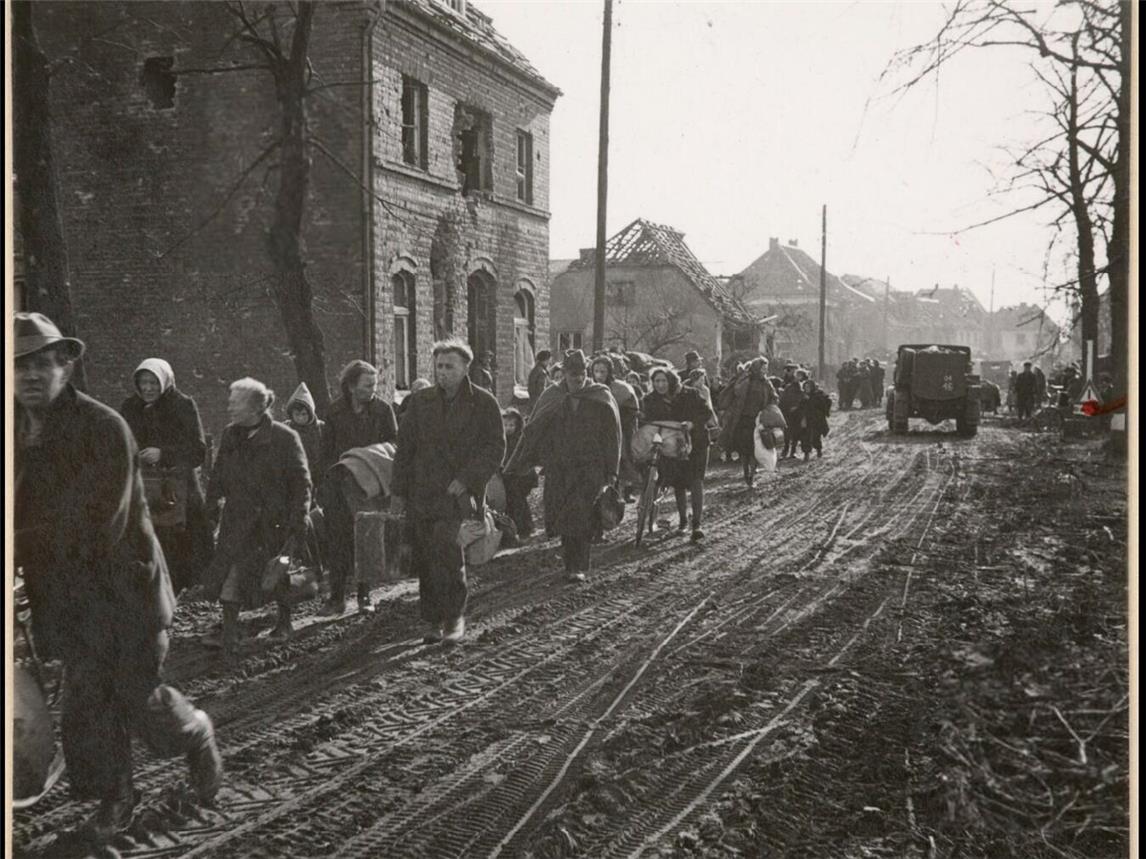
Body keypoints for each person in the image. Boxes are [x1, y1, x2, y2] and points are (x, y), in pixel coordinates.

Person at [14, 313, 222, 843]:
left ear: (66, 364)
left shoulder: (104, 427)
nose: (30, 375)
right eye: (18, 366)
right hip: (65, 599)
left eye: (42, 363)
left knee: (139, 702)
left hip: (124, 591)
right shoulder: (12, 431)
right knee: (85, 710)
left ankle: (195, 731)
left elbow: (95, 523)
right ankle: (117, 801)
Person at [392, 338, 505, 643]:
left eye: (449, 366)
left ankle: (454, 616)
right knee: (427, 557)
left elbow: (495, 448)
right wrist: (398, 493)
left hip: (459, 496)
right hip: (423, 492)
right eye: (439, 366)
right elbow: (405, 449)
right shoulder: (421, 402)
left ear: (465, 367)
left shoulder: (483, 403)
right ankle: (432, 620)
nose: (442, 372)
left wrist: (468, 478)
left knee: (448, 552)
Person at [203, 378, 311, 650]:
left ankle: (284, 621)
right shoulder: (231, 435)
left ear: (255, 408)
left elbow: (301, 483)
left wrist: (298, 520)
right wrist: (212, 505)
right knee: (231, 569)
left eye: (235, 403)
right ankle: (228, 630)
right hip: (238, 519)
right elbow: (218, 475)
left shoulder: (285, 438)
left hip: (275, 521)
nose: (229, 407)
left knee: (279, 570)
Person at [506, 349, 621, 583]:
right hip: (560, 467)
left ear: (586, 373)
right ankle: (570, 562)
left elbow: (612, 435)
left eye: (581, 374)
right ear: (564, 375)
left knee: (582, 514)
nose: (577, 379)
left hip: (591, 467)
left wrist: (612, 470)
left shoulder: (599, 396)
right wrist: (533, 459)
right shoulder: (552, 396)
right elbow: (535, 429)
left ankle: (577, 566)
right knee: (563, 515)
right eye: (572, 375)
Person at [119, 357, 213, 595]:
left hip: (179, 488)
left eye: (153, 382)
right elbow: (120, 444)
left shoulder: (183, 405)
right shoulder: (130, 407)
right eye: (143, 383)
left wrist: (163, 453)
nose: (148, 388)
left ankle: (186, 592)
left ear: (165, 381)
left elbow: (197, 451)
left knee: (182, 545)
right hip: (144, 487)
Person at [320, 360, 398, 615]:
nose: (372, 390)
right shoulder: (334, 412)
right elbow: (325, 451)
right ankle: (337, 598)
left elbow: (393, 444)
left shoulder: (383, 411)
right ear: (351, 386)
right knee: (338, 540)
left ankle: (365, 596)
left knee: (366, 537)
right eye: (367, 385)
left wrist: (370, 458)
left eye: (375, 384)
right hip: (339, 484)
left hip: (369, 485)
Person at [640, 367, 717, 541]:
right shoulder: (651, 400)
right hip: (672, 445)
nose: (660, 385)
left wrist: (692, 423)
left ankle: (696, 524)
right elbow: (648, 420)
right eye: (656, 381)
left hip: (696, 443)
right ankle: (683, 521)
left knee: (696, 481)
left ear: (671, 381)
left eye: (663, 381)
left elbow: (706, 413)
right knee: (679, 483)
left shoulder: (690, 394)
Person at [716, 356, 776, 488]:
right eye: (762, 368)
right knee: (744, 449)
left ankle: (752, 474)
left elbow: (774, 397)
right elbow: (736, 392)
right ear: (756, 368)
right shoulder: (746, 380)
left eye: (766, 368)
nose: (764, 371)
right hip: (743, 419)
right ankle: (746, 472)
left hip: (758, 421)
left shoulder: (766, 383)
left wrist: (769, 408)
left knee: (756, 448)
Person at [591, 354, 641, 503]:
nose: (599, 375)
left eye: (603, 372)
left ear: (609, 372)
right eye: (596, 371)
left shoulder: (621, 388)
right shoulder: (589, 388)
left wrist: (617, 420)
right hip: (596, 429)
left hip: (619, 428)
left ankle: (625, 488)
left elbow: (633, 410)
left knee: (622, 455)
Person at [500, 408, 536, 538]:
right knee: (511, 501)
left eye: (511, 425)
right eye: (505, 425)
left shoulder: (519, 440)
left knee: (518, 501)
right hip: (509, 476)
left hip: (521, 476)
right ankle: (514, 528)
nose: (508, 428)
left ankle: (525, 528)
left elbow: (521, 458)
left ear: (517, 425)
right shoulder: (502, 440)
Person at [284, 382, 327, 482]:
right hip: (293, 474)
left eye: (304, 414)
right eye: (297, 414)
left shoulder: (321, 427)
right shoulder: (286, 427)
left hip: (318, 473)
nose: (300, 418)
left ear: (311, 413)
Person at [797, 379, 832, 459]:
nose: (807, 389)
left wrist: (810, 400)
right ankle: (806, 453)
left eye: (808, 387)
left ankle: (819, 450)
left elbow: (823, 405)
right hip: (806, 420)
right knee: (805, 437)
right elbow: (800, 407)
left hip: (816, 420)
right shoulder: (803, 396)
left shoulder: (818, 395)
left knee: (816, 437)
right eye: (805, 387)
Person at [778, 368, 805, 459]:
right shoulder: (789, 387)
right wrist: (785, 409)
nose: (798, 377)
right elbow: (783, 400)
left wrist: (797, 407)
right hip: (788, 413)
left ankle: (793, 451)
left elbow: (803, 401)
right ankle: (785, 450)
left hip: (798, 413)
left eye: (800, 376)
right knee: (787, 432)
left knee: (796, 432)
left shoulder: (803, 388)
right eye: (797, 375)